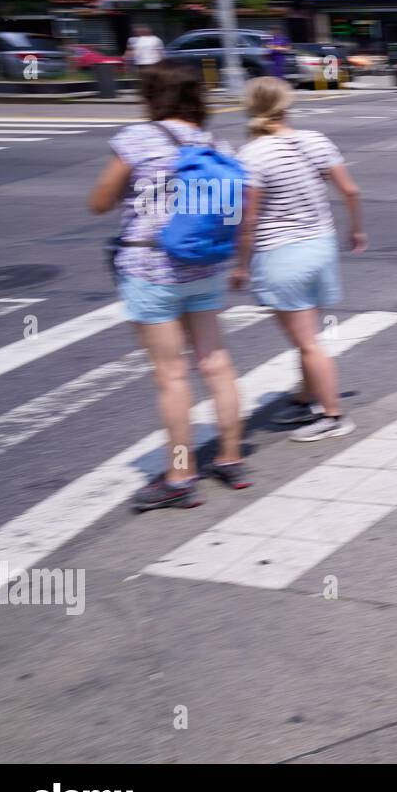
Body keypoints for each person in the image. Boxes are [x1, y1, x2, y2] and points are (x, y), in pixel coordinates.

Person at [88, 59, 249, 509]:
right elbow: (233, 209)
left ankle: (180, 476)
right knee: (216, 363)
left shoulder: (137, 139)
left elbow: (99, 202)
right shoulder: (216, 144)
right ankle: (232, 458)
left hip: (151, 267)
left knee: (171, 375)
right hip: (205, 264)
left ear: (151, 96)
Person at [232, 77, 366, 441]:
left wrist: (241, 265)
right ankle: (304, 397)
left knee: (307, 342)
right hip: (320, 247)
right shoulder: (315, 140)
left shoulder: (252, 155)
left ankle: (333, 414)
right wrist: (356, 230)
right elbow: (351, 190)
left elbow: (249, 220)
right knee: (309, 333)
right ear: (285, 105)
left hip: (281, 253)